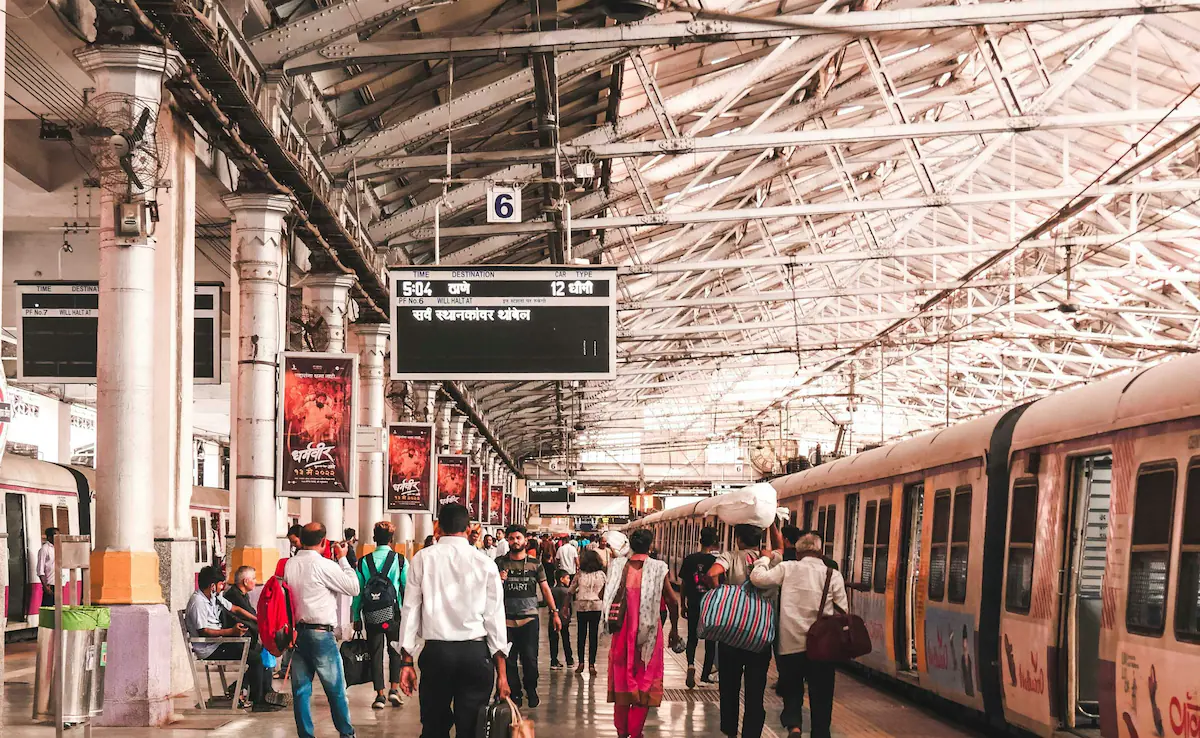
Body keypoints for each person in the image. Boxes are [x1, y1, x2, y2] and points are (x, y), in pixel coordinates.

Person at [398, 504, 510, 738]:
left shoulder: (422, 559)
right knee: (471, 729)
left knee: (434, 727)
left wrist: (406, 661)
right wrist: (502, 674)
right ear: (468, 529)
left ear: (438, 527)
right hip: (475, 655)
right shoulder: (485, 563)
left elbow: (410, 610)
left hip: (437, 655)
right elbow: (495, 618)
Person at [751, 532, 847, 738]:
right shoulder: (833, 574)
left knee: (792, 688)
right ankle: (820, 733)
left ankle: (794, 726)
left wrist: (764, 559)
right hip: (822, 647)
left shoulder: (788, 568)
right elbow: (842, 611)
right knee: (822, 695)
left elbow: (757, 579)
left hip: (790, 643)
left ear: (798, 553)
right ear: (820, 552)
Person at [284, 523, 360, 738]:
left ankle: (305, 735)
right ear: (324, 542)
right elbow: (353, 588)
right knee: (335, 689)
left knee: (300, 691)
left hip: (298, 633)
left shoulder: (290, 564)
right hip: (321, 635)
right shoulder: (324, 565)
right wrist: (343, 559)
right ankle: (346, 733)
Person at [602, 528, 680, 738]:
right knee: (645, 678)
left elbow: (604, 594)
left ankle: (622, 732)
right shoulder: (658, 568)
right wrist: (674, 629)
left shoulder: (618, 566)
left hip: (622, 633)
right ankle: (635, 732)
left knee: (621, 679)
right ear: (650, 546)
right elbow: (672, 601)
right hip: (649, 635)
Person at [708, 524, 772, 738]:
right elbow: (782, 548)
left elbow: (712, 573)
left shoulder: (730, 556)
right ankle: (751, 734)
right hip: (760, 632)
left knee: (729, 687)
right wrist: (772, 525)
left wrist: (721, 593)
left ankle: (730, 732)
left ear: (739, 540)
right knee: (755, 690)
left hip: (732, 632)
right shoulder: (769, 559)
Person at [185, 565, 271, 710]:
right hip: (210, 648)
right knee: (255, 659)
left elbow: (234, 608)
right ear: (212, 586)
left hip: (220, 642)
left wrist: (257, 619)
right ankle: (258, 701)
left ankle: (249, 691)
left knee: (256, 651)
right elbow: (204, 631)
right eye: (221, 584)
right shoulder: (198, 602)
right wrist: (231, 632)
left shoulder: (214, 596)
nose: (223, 587)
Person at [496, 524, 560, 708]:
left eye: (518, 538)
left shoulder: (535, 564)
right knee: (509, 661)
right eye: (511, 538)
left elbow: (545, 588)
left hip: (529, 620)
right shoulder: (499, 563)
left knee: (530, 660)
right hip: (506, 620)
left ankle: (531, 689)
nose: (515, 541)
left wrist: (554, 612)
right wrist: (499, 580)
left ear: (525, 540)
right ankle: (515, 693)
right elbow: (490, 589)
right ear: (507, 540)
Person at [352, 521, 407, 710]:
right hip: (394, 614)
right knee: (395, 651)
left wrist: (356, 616)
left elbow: (358, 592)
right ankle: (394, 689)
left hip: (371, 615)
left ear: (374, 538)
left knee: (375, 653)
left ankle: (379, 695)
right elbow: (407, 587)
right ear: (392, 539)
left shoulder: (363, 562)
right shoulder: (400, 560)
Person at [679, 526, 720, 688]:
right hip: (710, 606)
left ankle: (690, 665)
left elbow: (683, 584)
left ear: (700, 540)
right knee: (711, 641)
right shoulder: (716, 562)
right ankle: (705, 676)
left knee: (692, 638)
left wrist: (683, 604)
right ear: (714, 542)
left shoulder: (689, 559)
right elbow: (719, 586)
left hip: (693, 603)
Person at [569, 548, 607, 675]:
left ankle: (581, 663)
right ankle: (591, 664)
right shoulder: (601, 575)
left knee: (581, 635)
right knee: (593, 635)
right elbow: (605, 591)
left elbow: (571, 590)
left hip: (582, 606)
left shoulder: (580, 574)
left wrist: (565, 606)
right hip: (596, 606)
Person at [549, 569, 575, 671]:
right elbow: (570, 607)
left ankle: (554, 661)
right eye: (567, 578)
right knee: (566, 639)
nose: (569, 580)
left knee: (553, 640)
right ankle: (569, 660)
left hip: (553, 618)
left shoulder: (551, 590)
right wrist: (569, 617)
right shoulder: (567, 592)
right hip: (564, 618)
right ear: (561, 579)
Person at [37, 527, 57, 607]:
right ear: (49, 537)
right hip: (50, 584)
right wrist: (45, 586)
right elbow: (40, 569)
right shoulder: (44, 549)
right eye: (55, 535)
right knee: (48, 607)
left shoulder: (58, 548)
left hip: (59, 583)